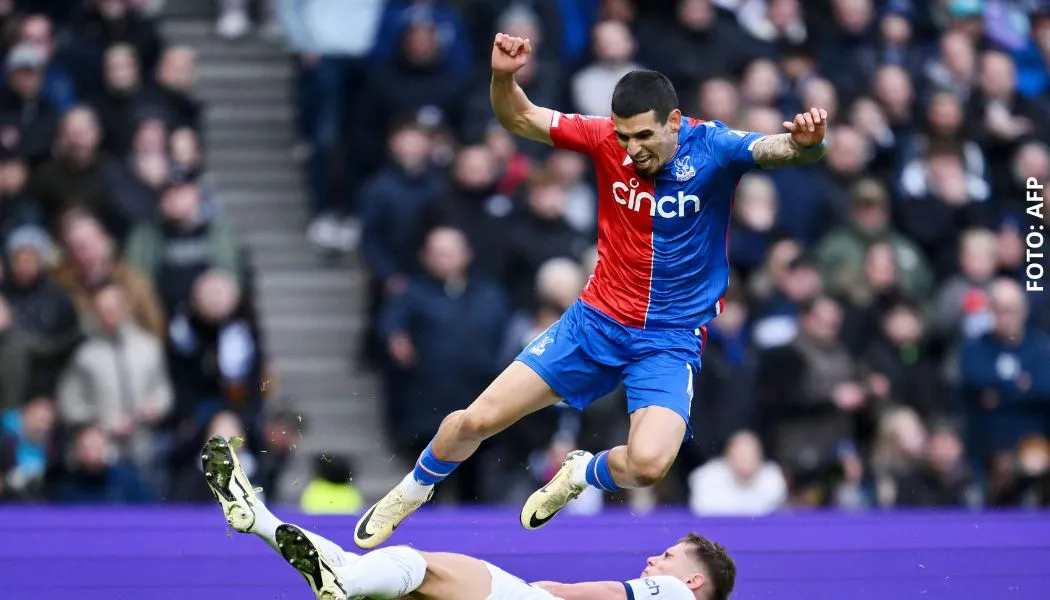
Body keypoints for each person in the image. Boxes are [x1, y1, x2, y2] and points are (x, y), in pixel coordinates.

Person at [355, 32, 829, 549]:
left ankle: (582, 474)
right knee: (475, 420)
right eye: (625, 137)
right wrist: (503, 77)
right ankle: (408, 492)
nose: (632, 149)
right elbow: (519, 118)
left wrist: (808, 143)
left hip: (668, 340)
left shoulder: (714, 146)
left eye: (644, 136)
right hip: (595, 322)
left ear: (674, 122)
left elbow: (778, 149)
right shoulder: (605, 139)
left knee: (648, 465)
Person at [200, 435, 737, 600]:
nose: (652, 558)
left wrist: (550, 590)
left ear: (693, 580)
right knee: (393, 586)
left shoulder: (681, 597)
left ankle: (324, 564)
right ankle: (260, 519)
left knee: (416, 566)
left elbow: (596, 595)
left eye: (667, 557)